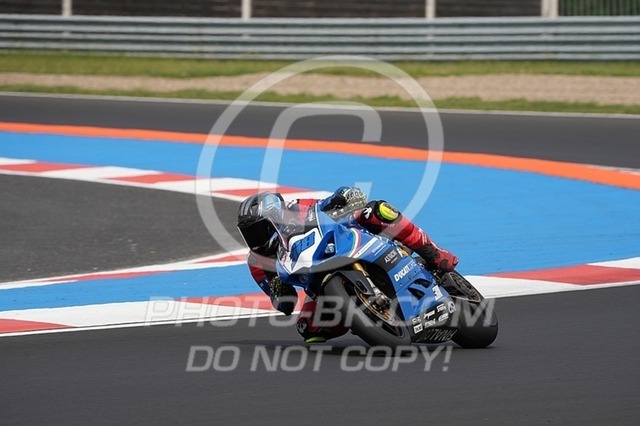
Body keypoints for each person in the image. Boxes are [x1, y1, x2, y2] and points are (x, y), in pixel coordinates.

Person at [236, 187, 459, 343]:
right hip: (316, 282)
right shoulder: (257, 262)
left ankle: (433, 252)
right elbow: (285, 304)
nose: (254, 239)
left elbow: (323, 206)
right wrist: (278, 291)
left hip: (338, 240)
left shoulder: (295, 208)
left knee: (377, 210)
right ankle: (364, 317)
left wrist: (344, 195)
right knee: (308, 327)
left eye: (257, 230)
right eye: (248, 234)